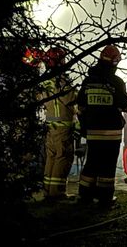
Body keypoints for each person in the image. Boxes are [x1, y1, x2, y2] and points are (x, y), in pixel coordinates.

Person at [76, 44, 127, 207]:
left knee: (92, 163)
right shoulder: (116, 82)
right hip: (111, 132)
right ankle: (104, 199)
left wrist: (85, 125)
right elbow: (125, 104)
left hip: (93, 131)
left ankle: (85, 197)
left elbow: (81, 105)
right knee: (107, 166)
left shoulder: (88, 81)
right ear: (115, 62)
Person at [39, 46, 77, 200]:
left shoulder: (45, 81)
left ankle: (48, 191)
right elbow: (69, 99)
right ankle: (57, 193)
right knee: (62, 158)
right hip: (63, 127)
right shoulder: (61, 80)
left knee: (51, 157)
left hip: (50, 126)